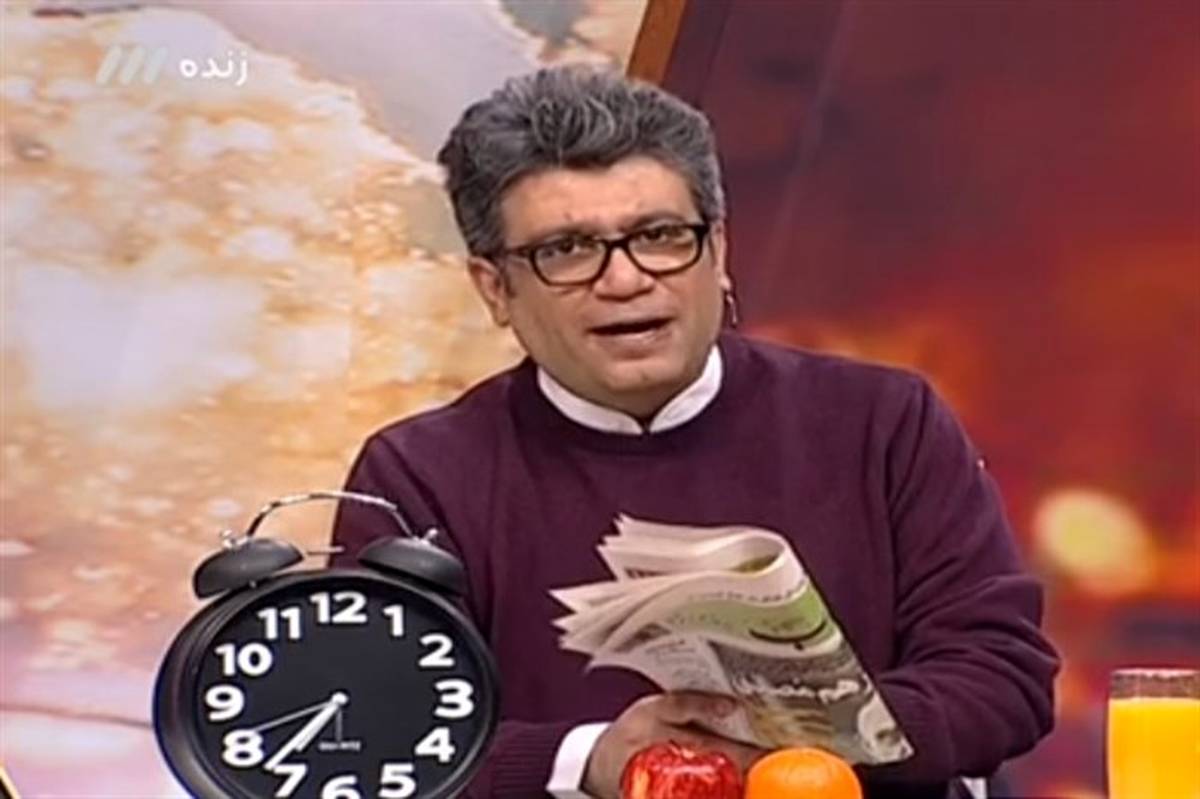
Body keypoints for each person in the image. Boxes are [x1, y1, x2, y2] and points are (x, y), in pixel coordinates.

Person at [330, 64, 1059, 799]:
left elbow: (1001, 680)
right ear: (496, 288)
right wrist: (594, 757)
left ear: (719, 250)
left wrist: (786, 744)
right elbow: (378, 735)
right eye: (566, 249)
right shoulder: (419, 473)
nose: (624, 280)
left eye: (658, 235)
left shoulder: (884, 421)